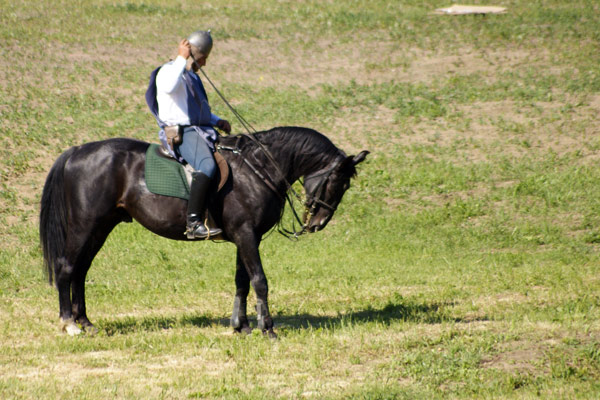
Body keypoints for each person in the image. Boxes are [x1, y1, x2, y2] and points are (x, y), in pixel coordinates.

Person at [146, 30, 231, 240]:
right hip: (182, 133)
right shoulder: (169, 71)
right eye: (203, 58)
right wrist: (181, 58)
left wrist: (217, 120)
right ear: (195, 54)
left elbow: (196, 112)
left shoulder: (190, 77)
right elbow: (168, 87)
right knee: (207, 165)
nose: (204, 64)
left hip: (200, 130)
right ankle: (193, 222)